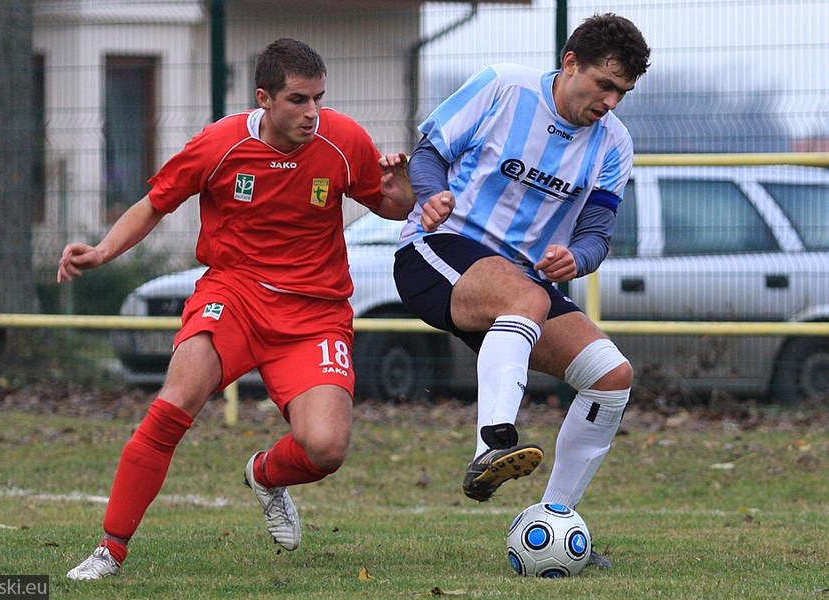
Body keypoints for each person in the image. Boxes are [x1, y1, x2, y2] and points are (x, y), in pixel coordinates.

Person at [58, 38, 414, 580]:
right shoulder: (219, 144)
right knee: (175, 401)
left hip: (315, 314)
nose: (313, 113)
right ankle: (110, 550)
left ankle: (267, 475)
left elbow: (389, 204)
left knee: (326, 447)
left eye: (319, 97)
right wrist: (103, 251)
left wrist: (405, 190)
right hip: (234, 296)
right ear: (264, 99)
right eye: (298, 99)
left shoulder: (344, 141)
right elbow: (157, 202)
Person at [394, 13, 650, 568]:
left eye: (622, 92)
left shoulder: (614, 143)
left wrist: (575, 257)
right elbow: (428, 154)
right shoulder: (503, 86)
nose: (610, 101)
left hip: (521, 285)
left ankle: (554, 522)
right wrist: (433, 194)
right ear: (570, 63)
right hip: (438, 250)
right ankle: (491, 447)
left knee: (611, 377)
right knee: (524, 298)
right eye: (604, 84)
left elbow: (597, 234)